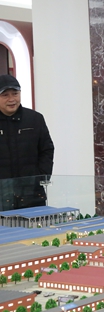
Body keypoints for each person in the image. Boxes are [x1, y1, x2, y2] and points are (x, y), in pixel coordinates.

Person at [0, 74, 54, 211]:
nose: (11, 99)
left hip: (32, 194)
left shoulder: (35, 119)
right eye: (5, 95)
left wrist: (41, 176)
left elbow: (47, 149)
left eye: (15, 94)